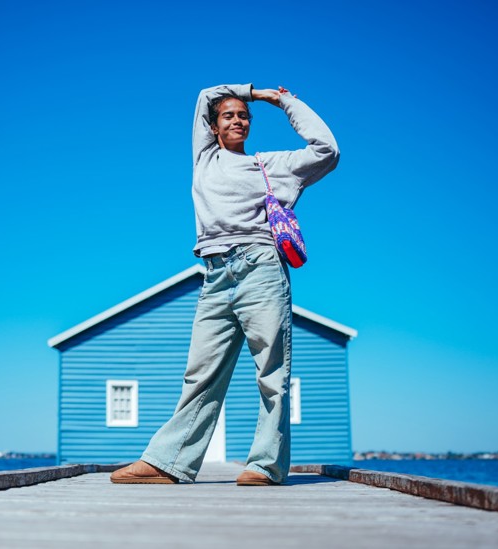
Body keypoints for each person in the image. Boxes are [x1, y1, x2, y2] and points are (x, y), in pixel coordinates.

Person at [110, 83, 340, 486]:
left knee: (272, 371)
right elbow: (204, 95)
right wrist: (253, 92)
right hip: (214, 275)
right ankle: (169, 462)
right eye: (229, 115)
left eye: (243, 115)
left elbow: (327, 150)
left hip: (261, 267)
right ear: (214, 127)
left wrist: (285, 101)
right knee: (200, 372)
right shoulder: (204, 158)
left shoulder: (272, 165)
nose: (237, 119)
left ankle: (265, 465)